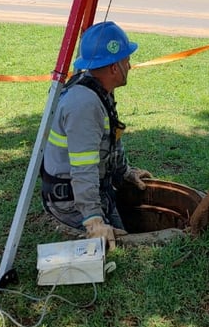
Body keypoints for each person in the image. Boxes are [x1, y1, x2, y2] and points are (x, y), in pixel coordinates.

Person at [41, 21, 152, 250]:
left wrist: (124, 172)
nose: (130, 66)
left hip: (96, 190)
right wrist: (93, 220)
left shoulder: (99, 90)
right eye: (126, 60)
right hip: (71, 203)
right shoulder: (84, 105)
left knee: (123, 234)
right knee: (119, 246)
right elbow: (83, 167)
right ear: (114, 68)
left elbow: (111, 137)